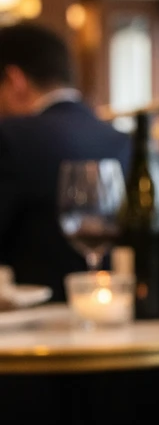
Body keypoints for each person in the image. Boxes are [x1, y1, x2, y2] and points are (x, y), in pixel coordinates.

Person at [0, 22, 130, 298]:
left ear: (15, 80)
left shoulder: (9, 136)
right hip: (124, 311)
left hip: (32, 329)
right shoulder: (128, 142)